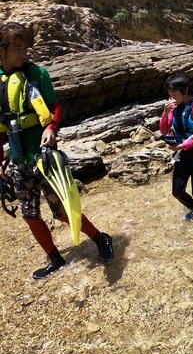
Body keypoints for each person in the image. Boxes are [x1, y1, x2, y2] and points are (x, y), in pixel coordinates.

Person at [0, 22, 114, 279]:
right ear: (2, 50)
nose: (23, 54)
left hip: (43, 156)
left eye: (25, 48)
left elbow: (54, 108)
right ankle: (55, 258)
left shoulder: (37, 74)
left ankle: (101, 238)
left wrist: (51, 128)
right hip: (18, 160)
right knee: (30, 215)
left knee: (62, 212)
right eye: (17, 49)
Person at [159, 73, 193, 223]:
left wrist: (183, 145)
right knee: (177, 191)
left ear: (185, 90)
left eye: (174, 94)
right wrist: (165, 113)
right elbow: (164, 130)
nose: (171, 98)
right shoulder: (173, 108)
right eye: (169, 94)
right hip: (182, 154)